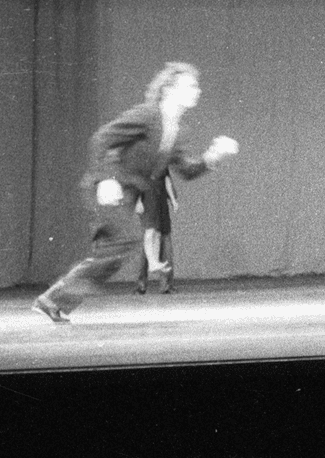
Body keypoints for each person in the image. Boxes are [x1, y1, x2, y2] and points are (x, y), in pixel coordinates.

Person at [32, 62, 239, 322]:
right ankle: (52, 299)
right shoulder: (148, 115)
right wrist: (106, 179)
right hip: (106, 187)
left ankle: (53, 301)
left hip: (128, 195)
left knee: (115, 251)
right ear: (169, 90)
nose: (196, 91)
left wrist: (212, 157)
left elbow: (185, 170)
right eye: (190, 86)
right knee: (123, 243)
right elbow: (102, 138)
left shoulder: (176, 129)